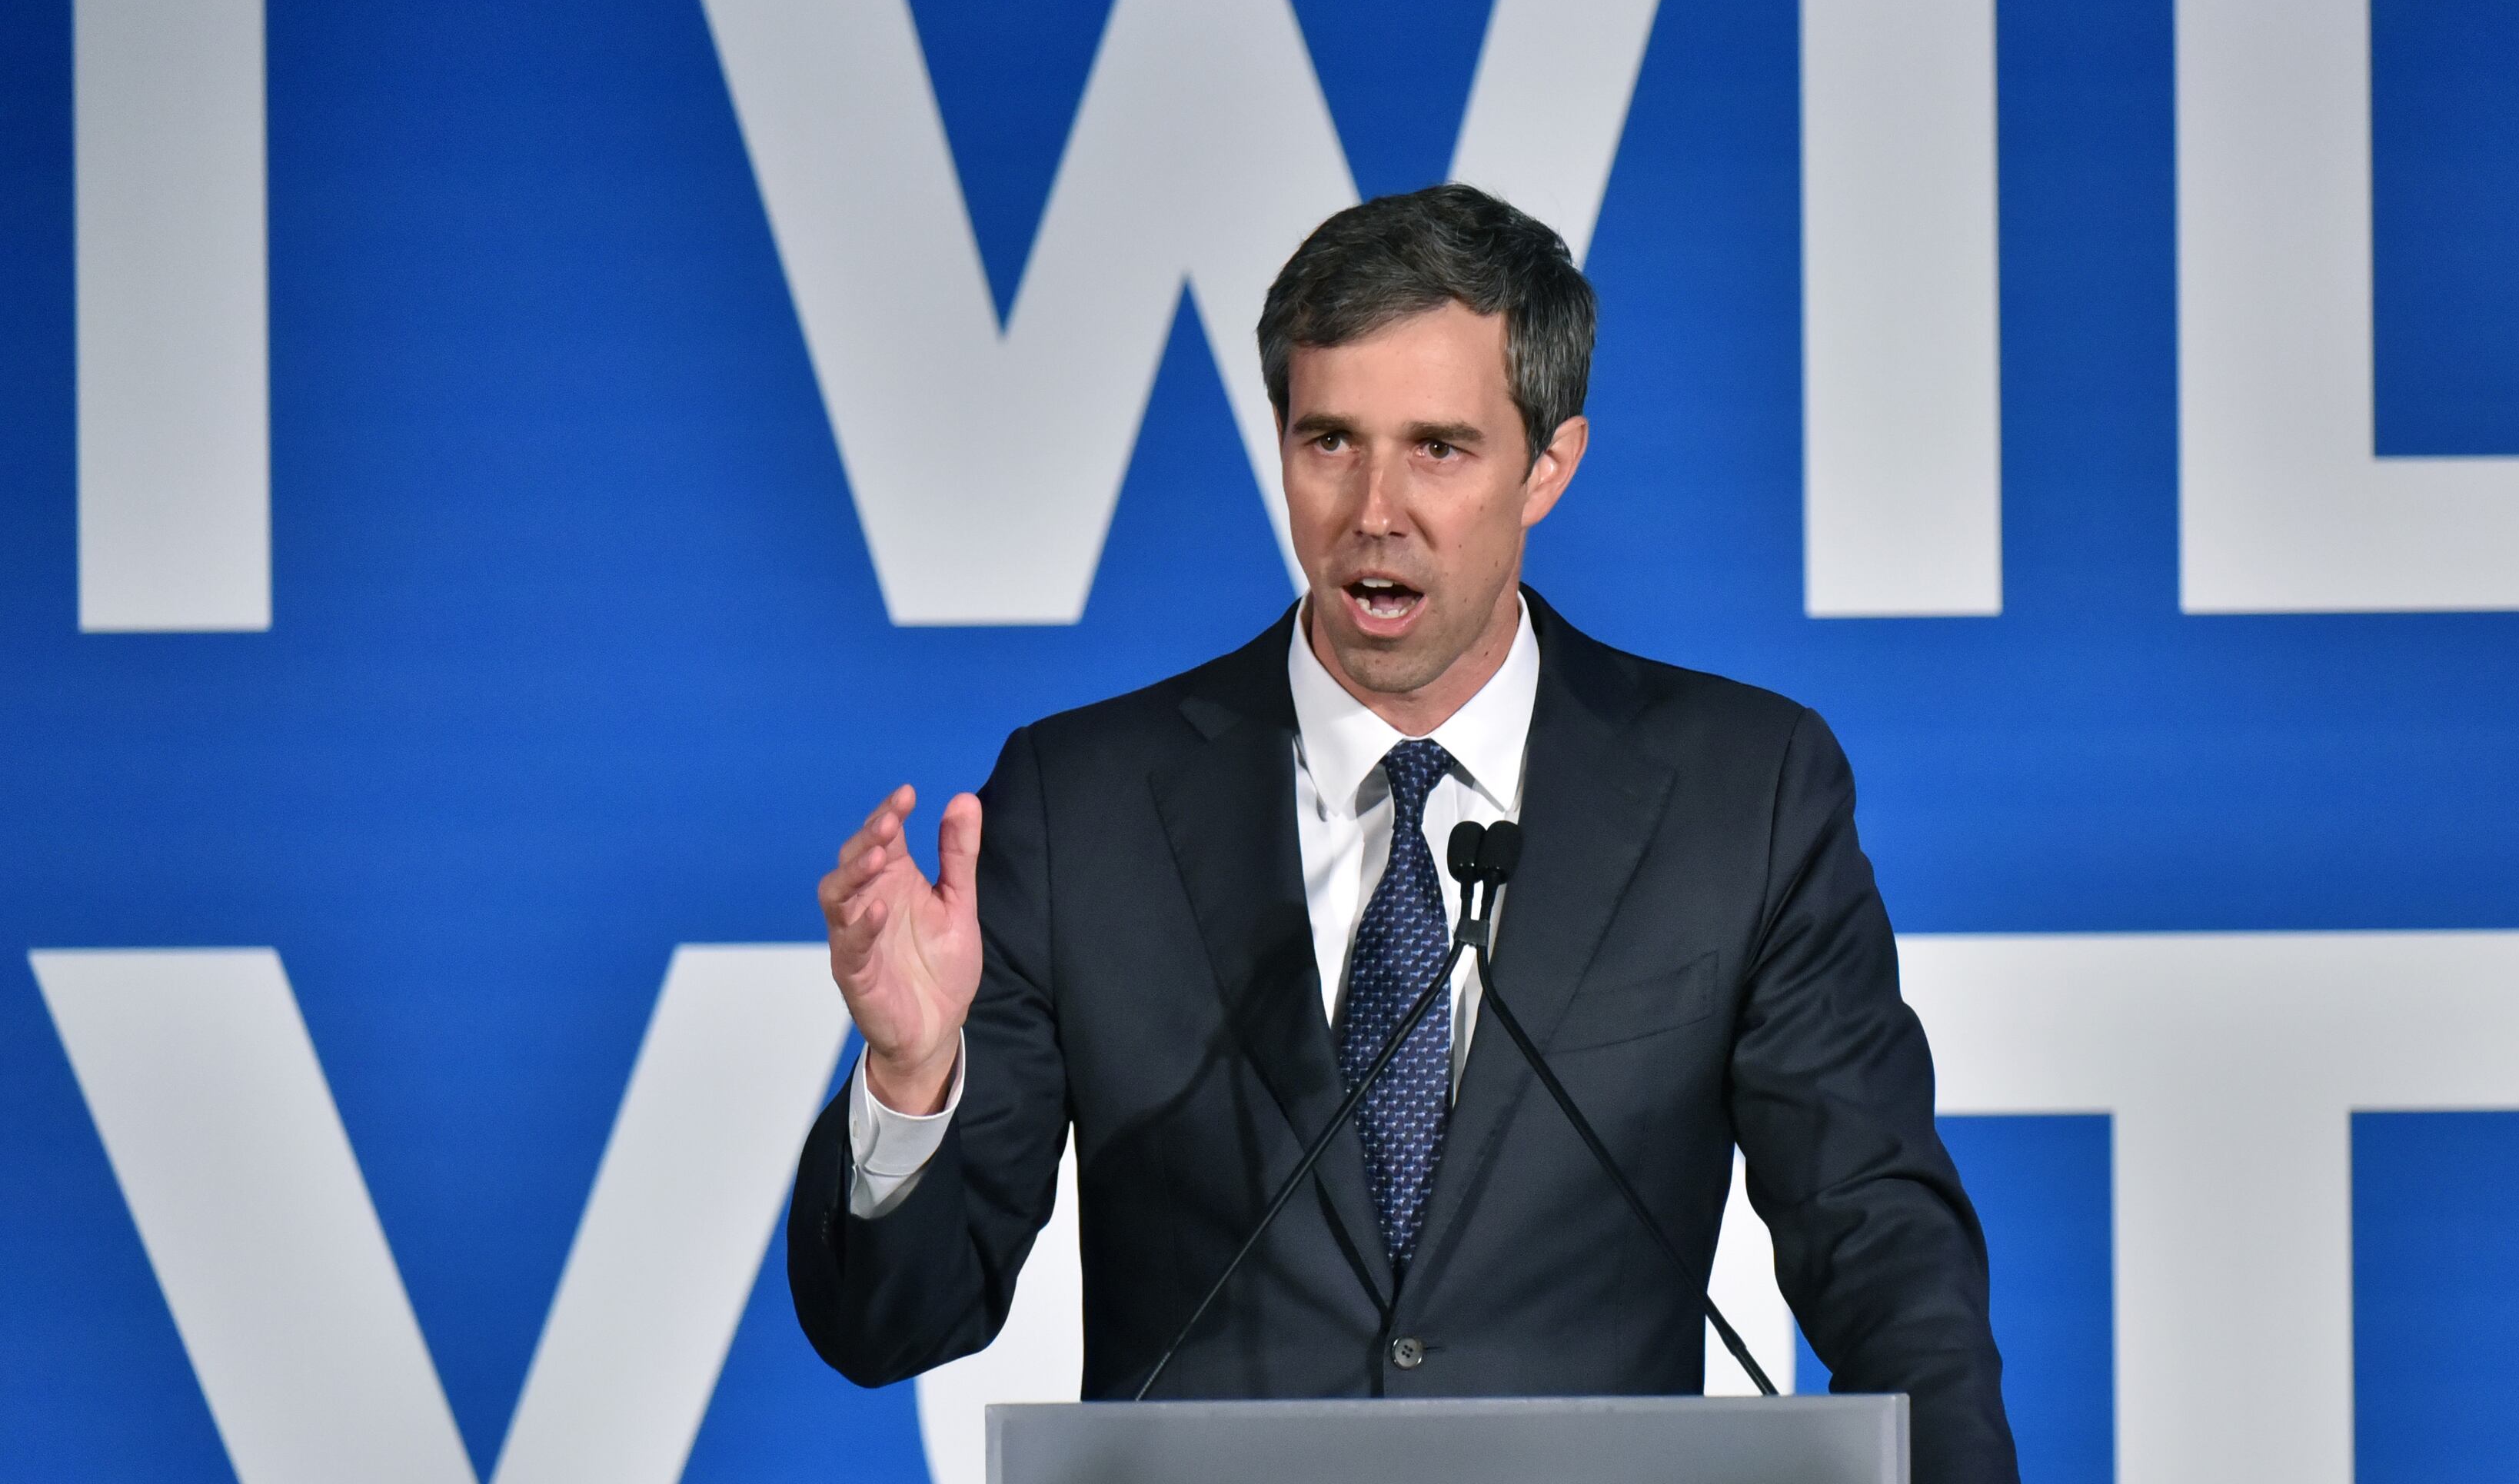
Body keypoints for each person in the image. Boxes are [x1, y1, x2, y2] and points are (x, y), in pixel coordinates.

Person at [796, 183, 2018, 1482]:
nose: (1374, 508)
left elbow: (1883, 1246)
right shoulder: (1082, 805)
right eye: (1331, 442)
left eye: (1439, 447)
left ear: (1550, 465)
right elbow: (894, 1323)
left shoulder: (1744, 793)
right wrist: (912, 1084)